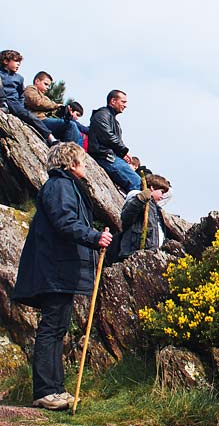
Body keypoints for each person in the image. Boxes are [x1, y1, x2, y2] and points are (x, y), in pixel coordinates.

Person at [11, 142, 113, 410]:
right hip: (54, 268)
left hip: (58, 268)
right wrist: (95, 236)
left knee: (57, 328)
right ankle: (46, 390)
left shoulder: (66, 186)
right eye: (82, 160)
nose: (85, 165)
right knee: (51, 328)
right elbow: (65, 222)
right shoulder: (60, 185)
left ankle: (55, 389)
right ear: (70, 163)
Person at [0, 50, 58, 145]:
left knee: (32, 118)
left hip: (13, 102)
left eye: (20, 62)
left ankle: (51, 138)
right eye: (16, 61)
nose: (18, 64)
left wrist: (21, 106)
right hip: (1, 100)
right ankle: (3, 105)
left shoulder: (19, 78)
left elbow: (21, 94)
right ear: (6, 61)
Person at [88, 90, 141, 193]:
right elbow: (108, 136)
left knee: (137, 182)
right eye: (123, 102)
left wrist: (122, 154)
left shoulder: (112, 119)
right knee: (136, 182)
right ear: (113, 101)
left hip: (110, 156)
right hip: (104, 156)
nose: (125, 105)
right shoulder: (102, 115)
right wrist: (124, 151)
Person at [24, 71, 87, 146]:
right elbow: (37, 102)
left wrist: (62, 111)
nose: (47, 87)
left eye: (49, 86)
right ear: (37, 81)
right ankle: (68, 153)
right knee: (71, 125)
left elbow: (48, 109)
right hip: (38, 120)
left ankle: (77, 154)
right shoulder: (30, 89)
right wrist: (56, 106)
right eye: (46, 84)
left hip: (43, 120)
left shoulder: (44, 96)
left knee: (77, 133)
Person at [118, 174, 172, 260]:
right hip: (134, 253)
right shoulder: (137, 198)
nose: (162, 196)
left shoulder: (155, 208)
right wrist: (140, 200)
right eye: (161, 192)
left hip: (150, 254)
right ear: (152, 188)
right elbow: (126, 217)